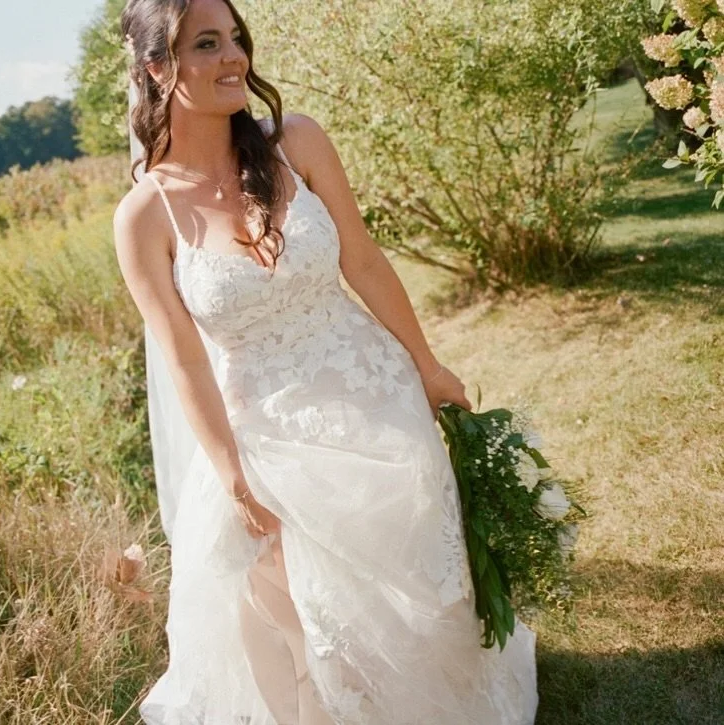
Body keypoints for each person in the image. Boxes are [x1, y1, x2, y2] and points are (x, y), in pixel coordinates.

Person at [113, 0, 539, 722]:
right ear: (157, 67)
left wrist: (427, 365)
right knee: (309, 615)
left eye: (235, 40)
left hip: (371, 389)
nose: (234, 59)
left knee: (419, 580)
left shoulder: (296, 142)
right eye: (206, 45)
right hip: (266, 432)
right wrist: (231, 473)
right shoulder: (145, 217)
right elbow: (184, 360)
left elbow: (364, 262)